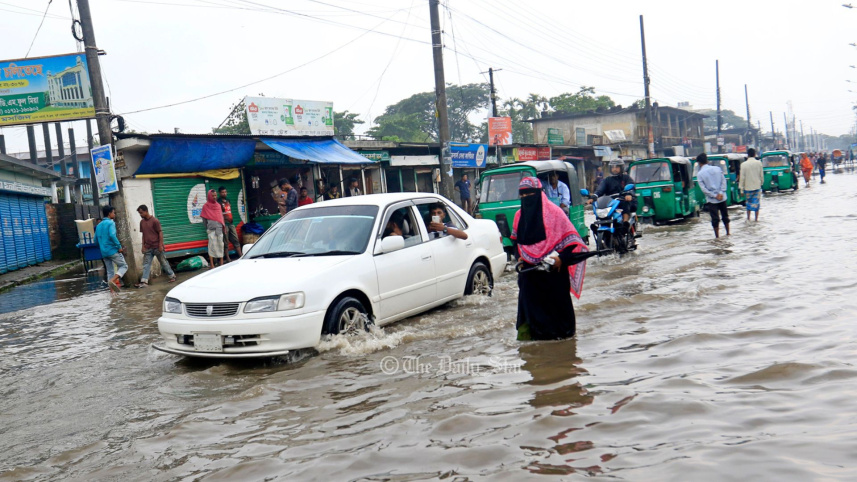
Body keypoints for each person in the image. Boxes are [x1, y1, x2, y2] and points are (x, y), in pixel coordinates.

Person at [511, 177, 589, 341]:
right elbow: (515, 240)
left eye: (530, 194)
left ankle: (565, 349)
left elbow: (572, 241)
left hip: (553, 272)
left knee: (559, 313)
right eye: (522, 196)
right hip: (529, 273)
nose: (526, 199)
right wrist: (519, 257)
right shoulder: (519, 216)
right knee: (533, 312)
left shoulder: (555, 213)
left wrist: (560, 258)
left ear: (539, 194)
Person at [135, 205, 176, 288]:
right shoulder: (142, 222)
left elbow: (160, 233)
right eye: (139, 213)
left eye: (141, 213)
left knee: (163, 262)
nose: (140, 215)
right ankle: (144, 281)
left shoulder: (155, 221)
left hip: (157, 246)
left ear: (146, 211)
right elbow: (143, 235)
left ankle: (172, 276)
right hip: (148, 247)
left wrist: (160, 245)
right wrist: (143, 246)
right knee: (146, 264)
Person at [589, 159, 636, 224]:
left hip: (622, 199)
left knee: (625, 204)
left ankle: (625, 223)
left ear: (621, 168)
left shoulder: (626, 177)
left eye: (617, 167)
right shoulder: (607, 179)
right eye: (613, 167)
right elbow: (600, 189)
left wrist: (628, 194)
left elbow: (631, 186)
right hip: (611, 201)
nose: (614, 169)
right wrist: (594, 196)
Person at [695, 153, 730, 238]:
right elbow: (723, 181)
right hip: (722, 197)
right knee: (725, 215)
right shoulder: (717, 169)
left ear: (699, 163)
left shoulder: (700, 174)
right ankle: (728, 233)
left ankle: (717, 237)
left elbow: (704, 189)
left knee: (715, 219)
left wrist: (714, 196)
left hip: (712, 200)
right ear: (707, 161)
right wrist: (721, 193)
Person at [95, 205, 127, 291]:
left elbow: (95, 240)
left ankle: (112, 292)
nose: (114, 214)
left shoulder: (98, 225)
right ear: (109, 213)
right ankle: (113, 280)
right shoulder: (111, 223)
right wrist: (119, 247)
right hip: (112, 250)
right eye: (113, 212)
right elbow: (112, 235)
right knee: (124, 266)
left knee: (110, 271)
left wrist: (102, 246)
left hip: (104, 252)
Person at [201, 189, 226, 268]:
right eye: (213, 196)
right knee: (211, 247)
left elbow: (220, 217)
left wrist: (223, 227)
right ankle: (212, 265)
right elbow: (204, 220)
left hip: (219, 229)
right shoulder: (205, 206)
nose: (215, 197)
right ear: (209, 196)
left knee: (220, 246)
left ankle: (221, 263)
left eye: (215, 195)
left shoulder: (218, 205)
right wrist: (208, 228)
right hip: (211, 230)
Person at [217, 186, 242, 262]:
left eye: (225, 192)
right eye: (222, 192)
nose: (224, 193)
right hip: (224, 224)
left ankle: (241, 256)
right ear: (219, 193)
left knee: (235, 239)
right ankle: (228, 258)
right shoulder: (218, 202)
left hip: (231, 223)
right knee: (225, 241)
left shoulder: (228, 200)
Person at [738, 148, 764, 222]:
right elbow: (761, 176)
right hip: (757, 187)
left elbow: (742, 178)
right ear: (754, 154)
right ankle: (756, 219)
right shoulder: (759, 163)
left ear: (748, 155)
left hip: (747, 188)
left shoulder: (743, 165)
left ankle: (748, 218)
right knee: (756, 204)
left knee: (748, 204)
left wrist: (741, 190)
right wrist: (761, 183)